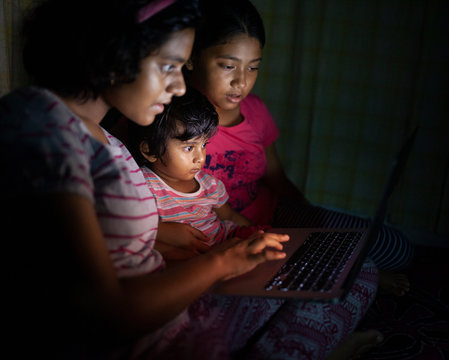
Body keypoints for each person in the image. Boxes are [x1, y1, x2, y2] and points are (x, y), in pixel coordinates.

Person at [0, 0, 380, 359]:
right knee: (328, 286)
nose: (180, 86)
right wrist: (219, 264)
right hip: (156, 337)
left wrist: (217, 257)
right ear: (116, 52)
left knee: (345, 272)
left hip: (173, 305)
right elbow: (109, 315)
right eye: (168, 66)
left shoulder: (94, 133)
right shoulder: (44, 129)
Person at [185, 0, 412, 297]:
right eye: (228, 66)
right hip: (225, 233)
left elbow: (276, 177)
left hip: (274, 213)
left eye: (253, 67)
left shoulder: (255, 112)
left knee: (397, 249)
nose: (241, 82)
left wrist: (313, 224)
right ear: (191, 57)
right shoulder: (175, 123)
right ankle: (353, 273)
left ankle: (341, 265)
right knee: (318, 271)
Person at [128, 87, 269, 256]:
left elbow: (230, 216)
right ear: (150, 151)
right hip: (196, 260)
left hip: (228, 243)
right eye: (189, 147)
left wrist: (256, 233)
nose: (200, 158)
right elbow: (134, 231)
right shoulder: (145, 186)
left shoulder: (209, 184)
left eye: (203, 145)